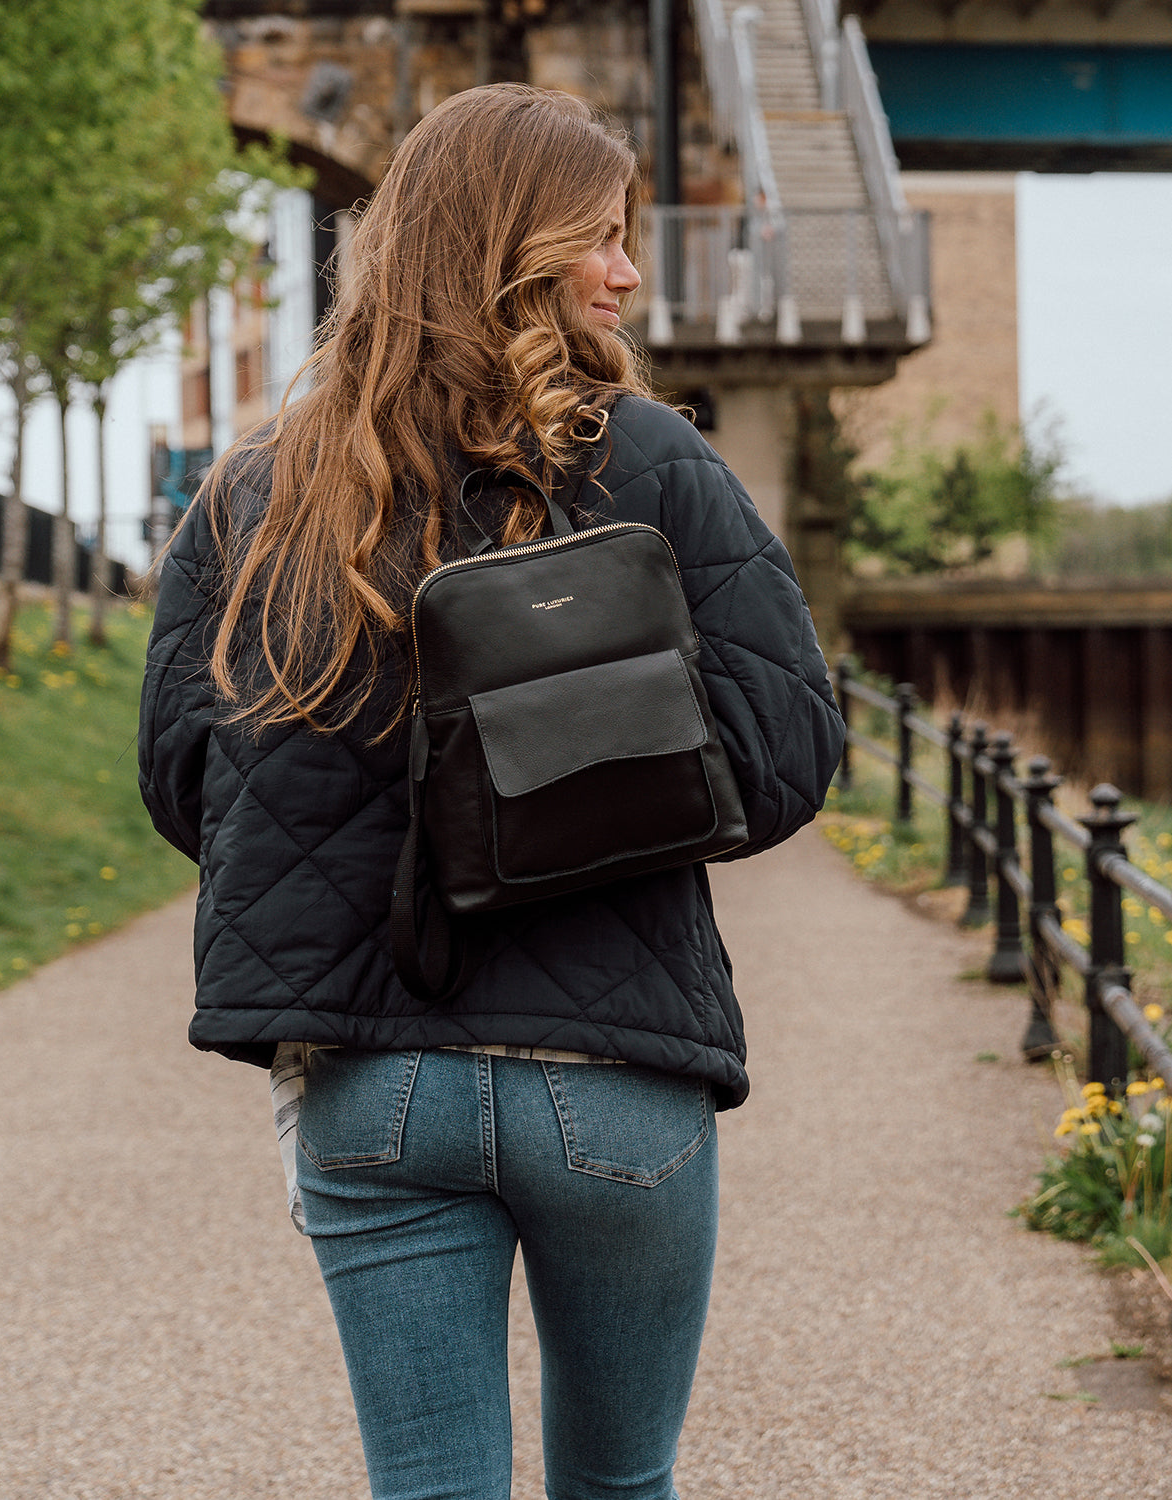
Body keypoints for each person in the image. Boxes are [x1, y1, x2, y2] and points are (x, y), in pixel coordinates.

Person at [139, 82, 844, 1500]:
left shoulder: (256, 491)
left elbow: (181, 780)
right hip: (617, 1074)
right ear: (504, 250)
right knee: (618, 1487)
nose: (628, 273)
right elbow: (781, 753)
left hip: (370, 1074)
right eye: (600, 237)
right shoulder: (649, 464)